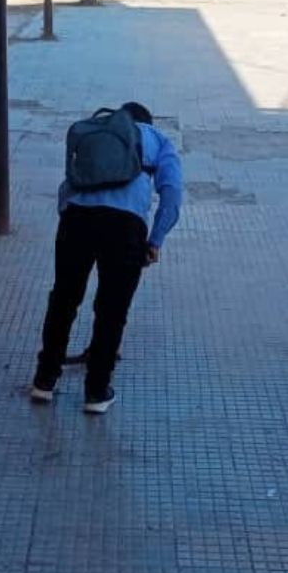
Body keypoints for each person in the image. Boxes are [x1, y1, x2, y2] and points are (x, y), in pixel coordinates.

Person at [31, 102, 183, 414]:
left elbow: (68, 184)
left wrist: (69, 220)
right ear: (147, 122)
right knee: (112, 309)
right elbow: (172, 194)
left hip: (76, 219)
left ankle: (44, 381)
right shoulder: (158, 140)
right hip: (125, 228)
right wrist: (155, 240)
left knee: (64, 298)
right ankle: (96, 392)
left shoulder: (94, 132)